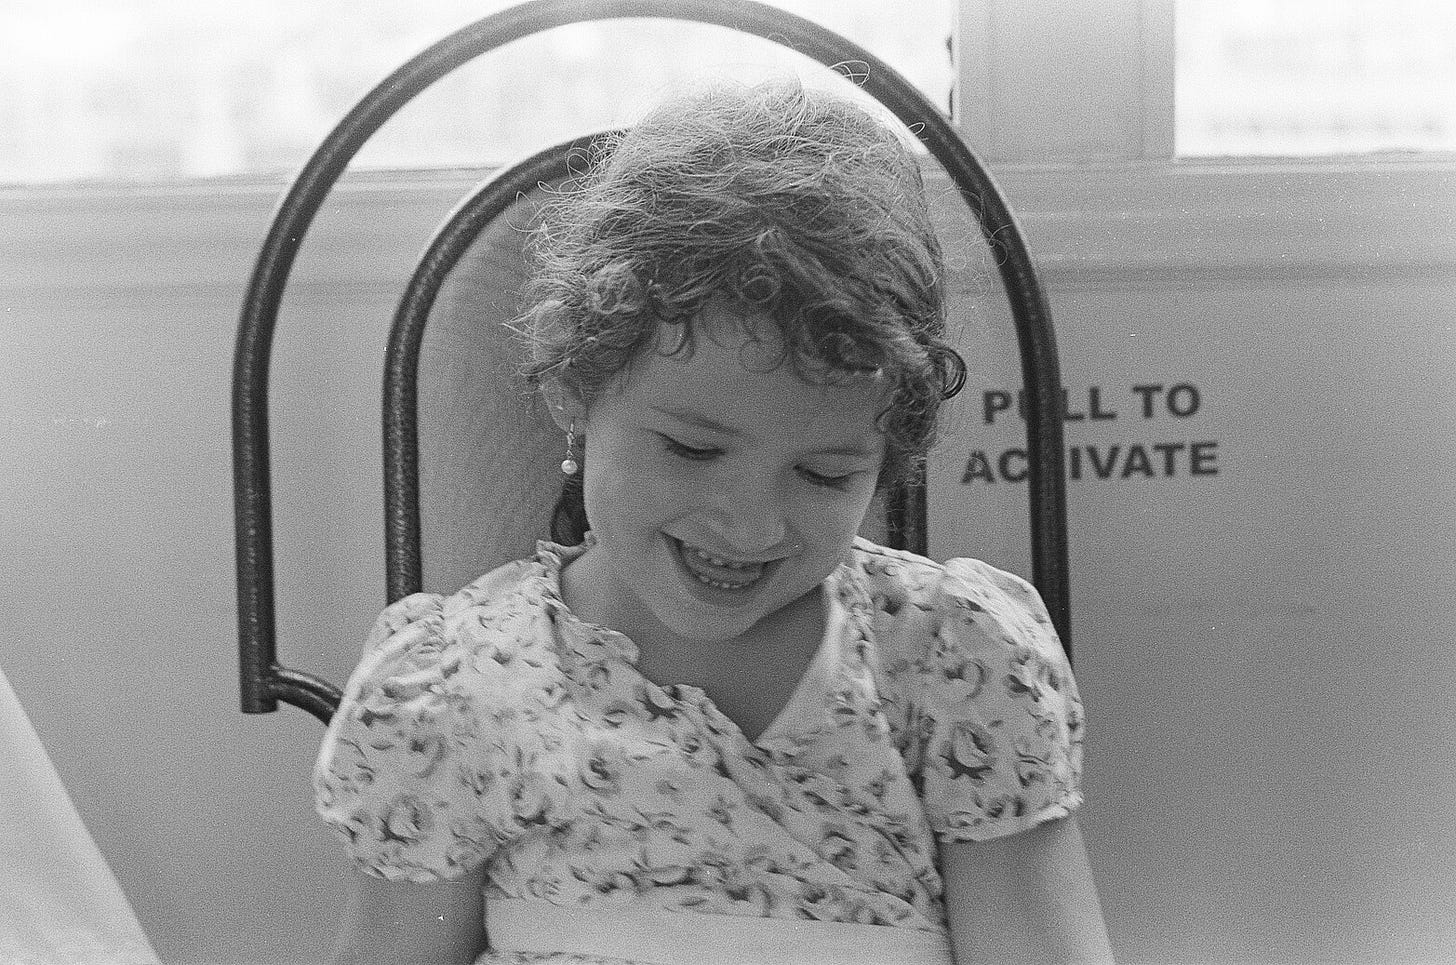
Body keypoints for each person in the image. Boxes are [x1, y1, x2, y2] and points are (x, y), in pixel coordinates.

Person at [314, 77, 1113, 965]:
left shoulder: (952, 666)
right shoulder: (456, 693)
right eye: (693, 450)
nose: (749, 522)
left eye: (823, 472)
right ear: (578, 393)